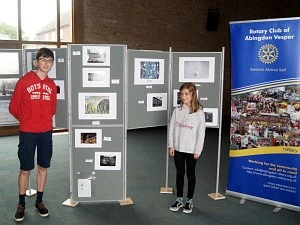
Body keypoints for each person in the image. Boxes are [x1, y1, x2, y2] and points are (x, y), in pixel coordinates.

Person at [9, 48, 57, 222]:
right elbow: (13, 107)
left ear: (52, 64)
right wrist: (27, 120)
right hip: (28, 132)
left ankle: (39, 201)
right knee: (25, 169)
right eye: (43, 59)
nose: (46, 63)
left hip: (45, 132)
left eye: (49, 60)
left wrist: (43, 120)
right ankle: (21, 203)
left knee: (43, 167)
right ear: (36, 62)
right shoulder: (24, 82)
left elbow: (53, 108)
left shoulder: (52, 85)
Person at [168, 82, 206, 214]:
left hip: (191, 150)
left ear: (192, 95)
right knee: (179, 173)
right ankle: (179, 199)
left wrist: (198, 150)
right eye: (181, 94)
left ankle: (189, 200)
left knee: (190, 174)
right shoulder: (177, 111)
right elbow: (171, 129)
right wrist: (171, 145)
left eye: (186, 94)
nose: (183, 96)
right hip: (178, 148)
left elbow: (201, 134)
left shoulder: (199, 113)